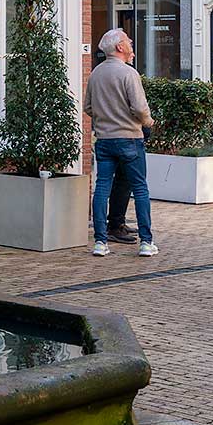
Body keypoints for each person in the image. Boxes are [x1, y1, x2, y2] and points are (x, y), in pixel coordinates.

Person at [84, 28, 158, 258]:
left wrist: (104, 118)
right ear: (119, 47)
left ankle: (100, 242)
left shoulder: (96, 73)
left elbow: (87, 107)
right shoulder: (129, 74)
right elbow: (139, 108)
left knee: (102, 189)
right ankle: (146, 243)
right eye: (128, 41)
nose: (132, 43)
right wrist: (149, 121)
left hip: (104, 140)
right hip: (129, 139)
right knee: (140, 189)